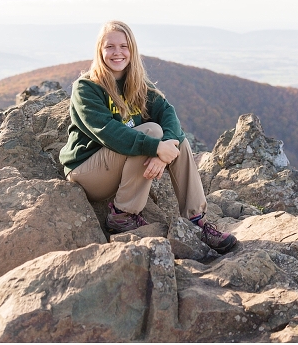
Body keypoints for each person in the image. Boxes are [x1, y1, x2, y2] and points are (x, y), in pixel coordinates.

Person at [60, 20, 236, 254]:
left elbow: (168, 113)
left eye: (123, 46)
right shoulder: (87, 88)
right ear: (100, 50)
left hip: (115, 167)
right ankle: (122, 215)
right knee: (151, 132)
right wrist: (155, 148)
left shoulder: (137, 84)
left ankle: (196, 220)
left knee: (178, 140)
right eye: (109, 46)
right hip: (87, 172)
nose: (117, 52)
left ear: (132, 49)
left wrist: (164, 153)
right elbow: (109, 133)